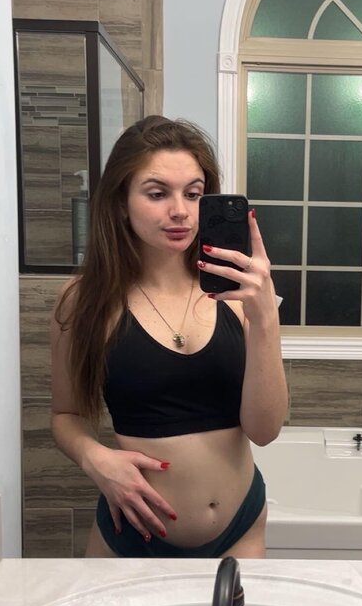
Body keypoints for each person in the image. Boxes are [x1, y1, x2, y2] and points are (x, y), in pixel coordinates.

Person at [51, 115, 287, 558]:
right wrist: (95, 458)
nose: (180, 210)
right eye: (157, 193)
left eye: (193, 194)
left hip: (240, 529)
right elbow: (65, 414)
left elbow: (265, 430)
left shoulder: (239, 295)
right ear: (121, 202)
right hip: (132, 534)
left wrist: (265, 320)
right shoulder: (84, 300)